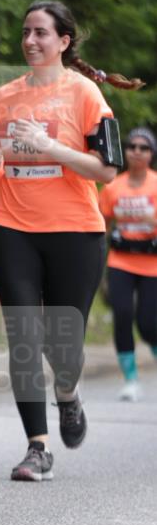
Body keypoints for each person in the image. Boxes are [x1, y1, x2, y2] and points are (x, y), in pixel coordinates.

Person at [0, 0, 144, 482]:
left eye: (41, 33)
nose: (30, 41)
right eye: (26, 32)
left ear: (64, 41)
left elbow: (107, 171)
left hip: (74, 230)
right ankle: (37, 447)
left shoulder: (88, 95)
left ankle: (67, 394)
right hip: (10, 226)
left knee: (60, 344)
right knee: (24, 338)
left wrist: (50, 146)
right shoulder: (4, 96)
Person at [99, 127, 157, 401]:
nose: (137, 151)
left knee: (148, 324)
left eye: (144, 147)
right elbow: (101, 224)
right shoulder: (113, 186)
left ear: (152, 153)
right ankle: (130, 380)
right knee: (122, 315)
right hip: (120, 260)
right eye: (132, 146)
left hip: (152, 263)